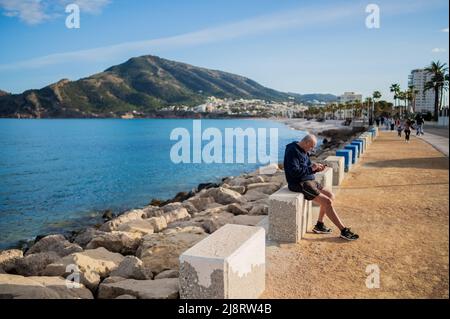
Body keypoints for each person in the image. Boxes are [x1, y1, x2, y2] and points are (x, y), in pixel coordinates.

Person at [283, 134, 359, 241]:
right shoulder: (292, 151)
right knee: (327, 202)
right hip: (299, 183)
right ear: (305, 143)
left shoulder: (303, 149)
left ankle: (319, 225)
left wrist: (316, 168)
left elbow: (307, 166)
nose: (312, 149)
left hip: (308, 180)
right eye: (312, 146)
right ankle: (343, 230)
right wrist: (311, 169)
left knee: (330, 195)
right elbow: (294, 172)